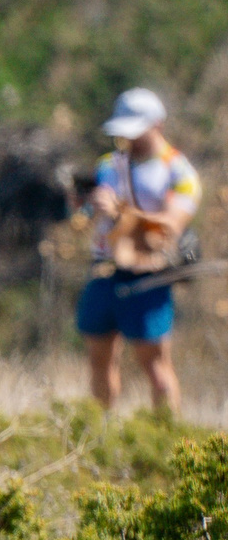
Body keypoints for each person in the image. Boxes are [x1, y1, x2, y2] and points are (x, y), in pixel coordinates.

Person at [78, 86, 201, 414]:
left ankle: (167, 440)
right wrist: (85, 204)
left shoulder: (179, 172)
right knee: (99, 359)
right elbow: (88, 215)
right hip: (104, 270)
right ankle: (100, 433)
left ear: (157, 124)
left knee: (156, 366)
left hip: (148, 277)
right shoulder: (107, 165)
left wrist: (120, 211)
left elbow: (170, 226)